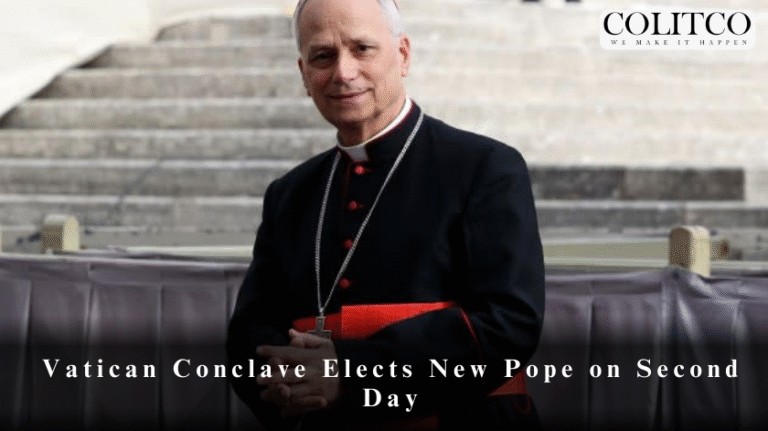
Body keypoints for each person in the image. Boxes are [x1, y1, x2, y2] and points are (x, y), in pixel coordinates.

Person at [226, 0, 545, 429]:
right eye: (323, 56)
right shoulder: (289, 194)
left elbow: (509, 323)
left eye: (362, 49)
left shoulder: (485, 168)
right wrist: (285, 388)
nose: (343, 72)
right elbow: (251, 331)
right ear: (304, 75)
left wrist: (353, 376)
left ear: (404, 54)